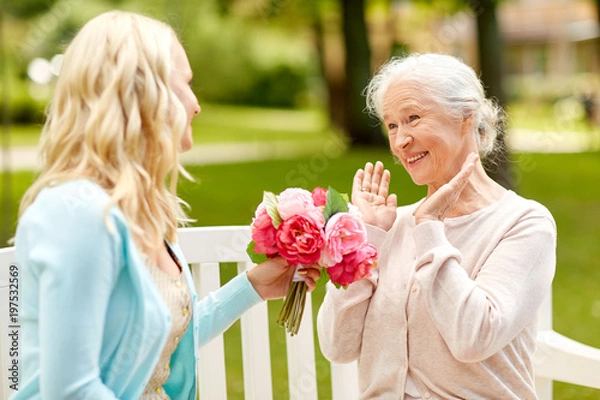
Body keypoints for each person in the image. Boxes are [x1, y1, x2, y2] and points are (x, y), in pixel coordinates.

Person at [13, 11, 320, 399]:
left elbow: (157, 342)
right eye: (186, 84)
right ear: (141, 94)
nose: (196, 104)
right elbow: (72, 391)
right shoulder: (76, 214)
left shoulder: (137, 212)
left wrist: (251, 287)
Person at [317, 53, 557, 399]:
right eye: (392, 125)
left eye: (413, 118)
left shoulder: (523, 224)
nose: (400, 142)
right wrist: (366, 242)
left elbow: (473, 337)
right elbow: (337, 347)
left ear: (465, 117)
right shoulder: (390, 226)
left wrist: (429, 228)